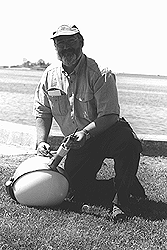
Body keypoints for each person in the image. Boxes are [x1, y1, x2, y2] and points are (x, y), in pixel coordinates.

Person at [33, 24, 146, 220]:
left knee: (129, 144)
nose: (67, 48)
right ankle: (121, 184)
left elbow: (110, 115)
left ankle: (121, 203)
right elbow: (43, 111)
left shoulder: (101, 73)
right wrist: (41, 141)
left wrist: (86, 133)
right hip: (76, 142)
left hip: (105, 131)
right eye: (61, 44)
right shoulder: (49, 75)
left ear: (82, 43)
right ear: (56, 48)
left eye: (71, 42)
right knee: (74, 190)